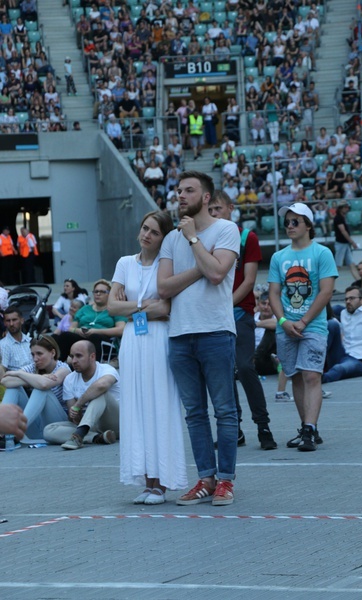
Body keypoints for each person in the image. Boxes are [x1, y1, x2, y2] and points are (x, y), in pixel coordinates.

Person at [158, 171, 240, 506]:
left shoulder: (226, 230)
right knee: (194, 412)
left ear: (206, 197)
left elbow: (219, 274)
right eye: (178, 191)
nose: (180, 196)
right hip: (180, 335)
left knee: (224, 410)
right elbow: (164, 288)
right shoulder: (170, 239)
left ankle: (225, 480)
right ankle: (205, 477)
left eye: (189, 191)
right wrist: (199, 267)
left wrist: (194, 240)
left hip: (216, 332)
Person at [108, 211, 187, 505]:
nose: (146, 235)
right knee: (136, 407)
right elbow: (112, 307)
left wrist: (134, 307)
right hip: (132, 340)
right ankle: (145, 479)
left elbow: (165, 308)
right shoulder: (125, 263)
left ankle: (161, 482)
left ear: (163, 237)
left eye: (154, 232)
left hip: (158, 339)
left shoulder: (167, 267)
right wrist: (143, 305)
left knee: (159, 405)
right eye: (144, 229)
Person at [208, 191, 277, 450]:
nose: (214, 214)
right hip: (214, 317)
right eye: (211, 210)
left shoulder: (247, 237)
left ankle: (263, 425)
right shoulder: (204, 240)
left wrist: (224, 305)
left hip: (239, 314)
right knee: (223, 373)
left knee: (245, 368)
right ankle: (233, 430)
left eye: (218, 209)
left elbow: (249, 280)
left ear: (230, 208)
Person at [268, 203, 338, 451]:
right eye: (287, 222)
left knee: (311, 375)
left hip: (314, 326)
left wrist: (304, 320)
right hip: (286, 327)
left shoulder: (322, 253)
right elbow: (274, 293)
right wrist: (284, 322)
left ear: (308, 225)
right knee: (296, 376)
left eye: (295, 221)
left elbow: (326, 291)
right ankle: (308, 427)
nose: (289, 226)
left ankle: (309, 428)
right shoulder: (279, 257)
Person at [43, 341, 120, 450]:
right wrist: (74, 414)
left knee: (101, 393)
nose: (74, 361)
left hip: (114, 422)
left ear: (92, 357)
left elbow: (101, 385)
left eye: (79, 356)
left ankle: (79, 436)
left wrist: (79, 403)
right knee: (48, 430)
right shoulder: (70, 379)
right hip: (91, 426)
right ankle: (96, 438)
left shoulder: (106, 369)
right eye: (72, 356)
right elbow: (73, 416)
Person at [1, 336, 70, 445]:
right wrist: (33, 378)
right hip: (37, 428)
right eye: (33, 354)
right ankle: (2, 433)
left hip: (57, 426)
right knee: (14, 388)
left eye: (39, 354)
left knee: (41, 391)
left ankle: (13, 434)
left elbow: (44, 385)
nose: (35, 359)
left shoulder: (63, 368)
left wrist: (19, 374)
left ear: (52, 353)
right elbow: (6, 381)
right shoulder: (33, 368)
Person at [53, 279, 126, 362]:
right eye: (96, 291)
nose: (98, 294)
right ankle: (59, 365)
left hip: (103, 340)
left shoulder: (115, 309)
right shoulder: (84, 309)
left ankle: (94, 368)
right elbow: (71, 328)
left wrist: (96, 331)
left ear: (109, 294)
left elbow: (121, 329)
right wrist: (78, 330)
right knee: (65, 335)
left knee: (94, 337)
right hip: (82, 337)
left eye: (102, 291)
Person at [0, 307, 32, 379]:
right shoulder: (3, 345)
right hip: (16, 383)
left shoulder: (30, 341)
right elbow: (2, 370)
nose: (11, 324)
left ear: (22, 320)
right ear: (4, 323)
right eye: (8, 321)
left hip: (35, 379)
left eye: (14, 320)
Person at [333, 200, 359, 280]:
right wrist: (352, 242)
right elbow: (343, 231)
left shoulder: (342, 218)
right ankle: (331, 286)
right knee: (337, 266)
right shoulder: (338, 218)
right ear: (341, 208)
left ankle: (359, 281)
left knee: (351, 263)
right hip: (341, 243)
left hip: (345, 243)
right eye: (345, 207)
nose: (347, 209)